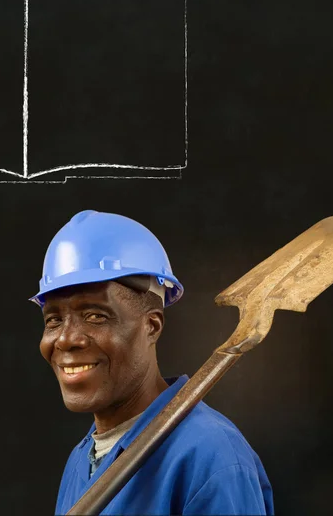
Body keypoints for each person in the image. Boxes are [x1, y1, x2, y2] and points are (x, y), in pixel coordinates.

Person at [32, 210, 274, 515]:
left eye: (95, 316)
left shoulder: (211, 454)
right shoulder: (82, 459)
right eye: (53, 319)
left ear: (152, 326)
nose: (66, 339)